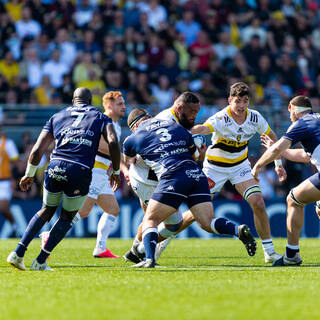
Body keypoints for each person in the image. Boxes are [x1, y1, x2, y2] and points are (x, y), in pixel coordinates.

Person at [123, 99, 257, 268]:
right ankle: (237, 230)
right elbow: (196, 156)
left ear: (134, 127)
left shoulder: (133, 137)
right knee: (207, 222)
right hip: (196, 174)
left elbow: (130, 160)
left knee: (151, 219)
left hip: (172, 175)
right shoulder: (176, 127)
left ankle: (149, 259)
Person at [7, 87, 121, 271]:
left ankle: (18, 253)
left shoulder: (57, 116)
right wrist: (116, 170)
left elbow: (38, 149)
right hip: (79, 169)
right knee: (67, 217)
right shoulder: (100, 117)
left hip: (55, 166)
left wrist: (29, 174)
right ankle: (41, 261)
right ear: (90, 101)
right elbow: (114, 142)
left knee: (46, 210)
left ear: (73, 100)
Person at [191, 82, 284, 263]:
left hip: (239, 167)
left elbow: (274, 137)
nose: (241, 106)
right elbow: (202, 128)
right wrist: (184, 130)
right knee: (194, 214)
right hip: (214, 168)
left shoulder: (255, 118)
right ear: (229, 100)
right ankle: (162, 241)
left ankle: (269, 252)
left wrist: (278, 163)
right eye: (237, 101)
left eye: (245, 101)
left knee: (258, 202)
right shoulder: (221, 118)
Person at [40, 91, 127, 259]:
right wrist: (122, 155)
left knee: (113, 210)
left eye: (123, 103)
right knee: (84, 211)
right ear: (108, 106)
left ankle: (100, 248)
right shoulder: (102, 121)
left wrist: (119, 162)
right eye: (119, 104)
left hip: (102, 173)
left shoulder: (114, 125)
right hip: (93, 170)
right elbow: (101, 145)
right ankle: (49, 235)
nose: (124, 107)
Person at [252, 95, 319, 266]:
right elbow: (306, 156)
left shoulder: (301, 123)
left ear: (291, 108)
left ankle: (292, 255)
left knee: (293, 199)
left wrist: (257, 166)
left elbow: (278, 148)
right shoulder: (316, 121)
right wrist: (278, 150)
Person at [0, 125, 19, 236]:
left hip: (4, 181)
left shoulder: (7, 143)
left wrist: (13, 179)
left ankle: (14, 226)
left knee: (3, 208)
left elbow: (15, 163)